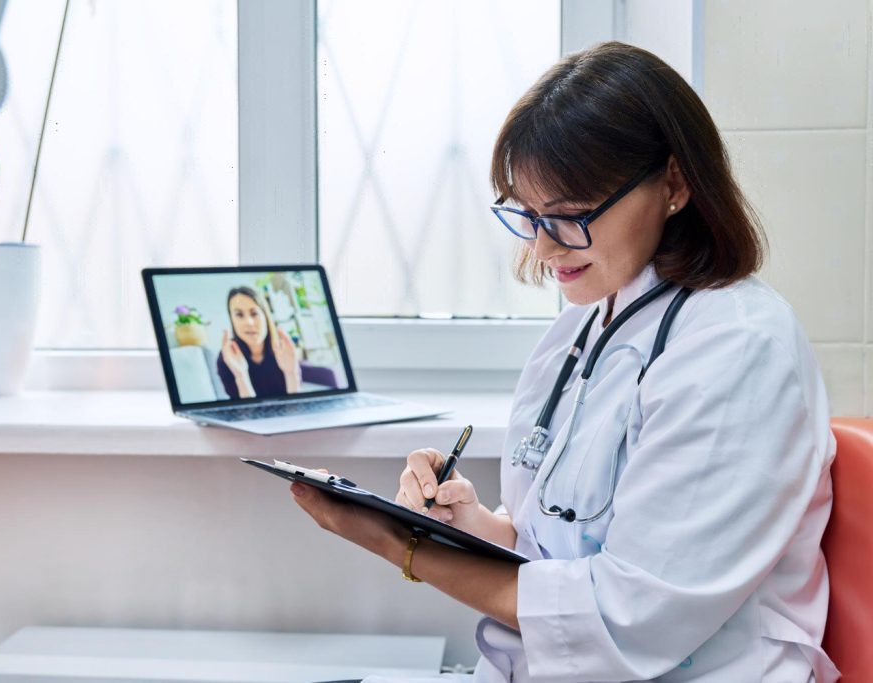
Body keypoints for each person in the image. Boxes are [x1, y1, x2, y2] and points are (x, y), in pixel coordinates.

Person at [289, 42, 839, 683]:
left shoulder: (738, 350)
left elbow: (624, 614)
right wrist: (465, 523)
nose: (546, 246)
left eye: (572, 217)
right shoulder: (584, 323)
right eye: (528, 214)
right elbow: (557, 554)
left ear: (675, 184)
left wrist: (398, 545)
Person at [216, 286, 301, 399]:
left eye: (254, 313)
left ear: (265, 316)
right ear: (232, 320)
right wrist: (241, 376)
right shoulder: (227, 358)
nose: (249, 323)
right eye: (239, 315)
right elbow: (246, 413)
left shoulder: (283, 350)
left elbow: (295, 408)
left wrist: (291, 373)